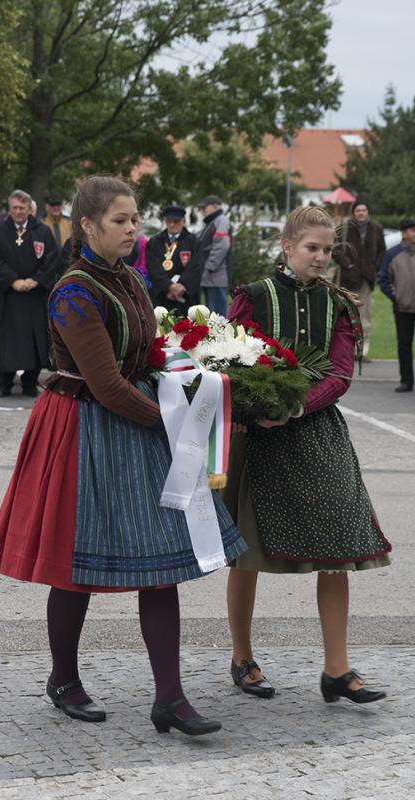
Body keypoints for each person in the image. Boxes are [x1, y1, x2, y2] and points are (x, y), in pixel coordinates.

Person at [0, 175, 245, 736]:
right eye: (120, 221)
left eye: (135, 220)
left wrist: (190, 379)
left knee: (161, 566)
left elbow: (143, 354)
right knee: (76, 561)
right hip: (84, 428)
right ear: (87, 226)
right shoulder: (74, 292)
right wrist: (172, 425)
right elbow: (104, 384)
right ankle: (63, 679)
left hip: (135, 421)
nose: (133, 230)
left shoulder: (129, 277)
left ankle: (170, 699)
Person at [223, 206, 391, 705]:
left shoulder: (338, 304)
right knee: (246, 551)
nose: (320, 257)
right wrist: (258, 408)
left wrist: (296, 406)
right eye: (310, 248)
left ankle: (336, 669)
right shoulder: (251, 297)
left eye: (326, 249)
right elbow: (227, 358)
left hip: (317, 433)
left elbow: (339, 374)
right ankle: (242, 657)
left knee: (340, 546)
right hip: (257, 434)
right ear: (286, 247)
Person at [0, 189, 59, 397]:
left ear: (29, 209)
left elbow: (51, 259)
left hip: (34, 296)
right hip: (9, 296)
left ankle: (29, 382)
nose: (18, 212)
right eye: (14, 208)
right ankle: (5, 383)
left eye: (22, 208)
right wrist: (13, 280)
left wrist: (35, 280)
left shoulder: (42, 232)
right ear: (10, 209)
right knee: (8, 340)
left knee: (33, 340)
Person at [332, 200, 386, 363]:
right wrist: (346, 263)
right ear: (353, 213)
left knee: (365, 318)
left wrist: (375, 267)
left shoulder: (376, 228)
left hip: (367, 279)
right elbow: (335, 248)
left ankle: (362, 352)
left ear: (367, 212)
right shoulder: (344, 228)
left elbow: (382, 250)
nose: (361, 213)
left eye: (364, 210)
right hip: (348, 279)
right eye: (358, 210)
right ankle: (342, 351)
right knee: (344, 316)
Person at [378, 218, 415, 393]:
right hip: (402, 307)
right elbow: (383, 279)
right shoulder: (392, 254)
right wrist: (396, 297)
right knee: (404, 345)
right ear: (404, 233)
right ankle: (406, 380)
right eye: (412, 230)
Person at [145, 204, 201, 314]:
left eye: (176, 221)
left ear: (183, 221)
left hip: (185, 297)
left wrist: (182, 286)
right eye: (168, 220)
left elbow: (196, 266)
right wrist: (169, 286)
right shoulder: (155, 242)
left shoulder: (193, 241)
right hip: (163, 296)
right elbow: (153, 267)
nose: (172, 224)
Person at [197, 195, 231, 316]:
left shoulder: (221, 220)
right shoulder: (213, 221)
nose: (202, 211)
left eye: (204, 207)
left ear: (215, 206)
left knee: (217, 317)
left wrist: (209, 267)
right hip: (211, 277)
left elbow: (222, 245)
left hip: (215, 276)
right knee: (211, 315)